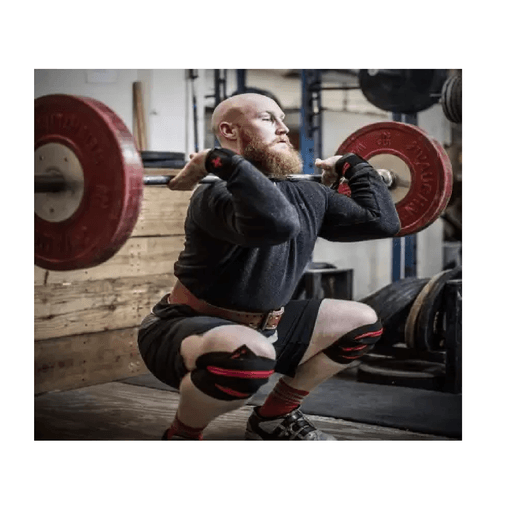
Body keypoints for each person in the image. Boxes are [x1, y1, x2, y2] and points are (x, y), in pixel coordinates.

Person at [137, 93, 400, 440]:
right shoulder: (215, 194)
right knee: (247, 355)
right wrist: (224, 165)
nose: (282, 129)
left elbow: (382, 221)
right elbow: (276, 224)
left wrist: (355, 165)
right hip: (184, 330)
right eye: (267, 119)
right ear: (229, 130)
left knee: (362, 323)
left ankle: (274, 418)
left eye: (281, 119)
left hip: (266, 330)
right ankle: (182, 435)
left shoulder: (307, 193)